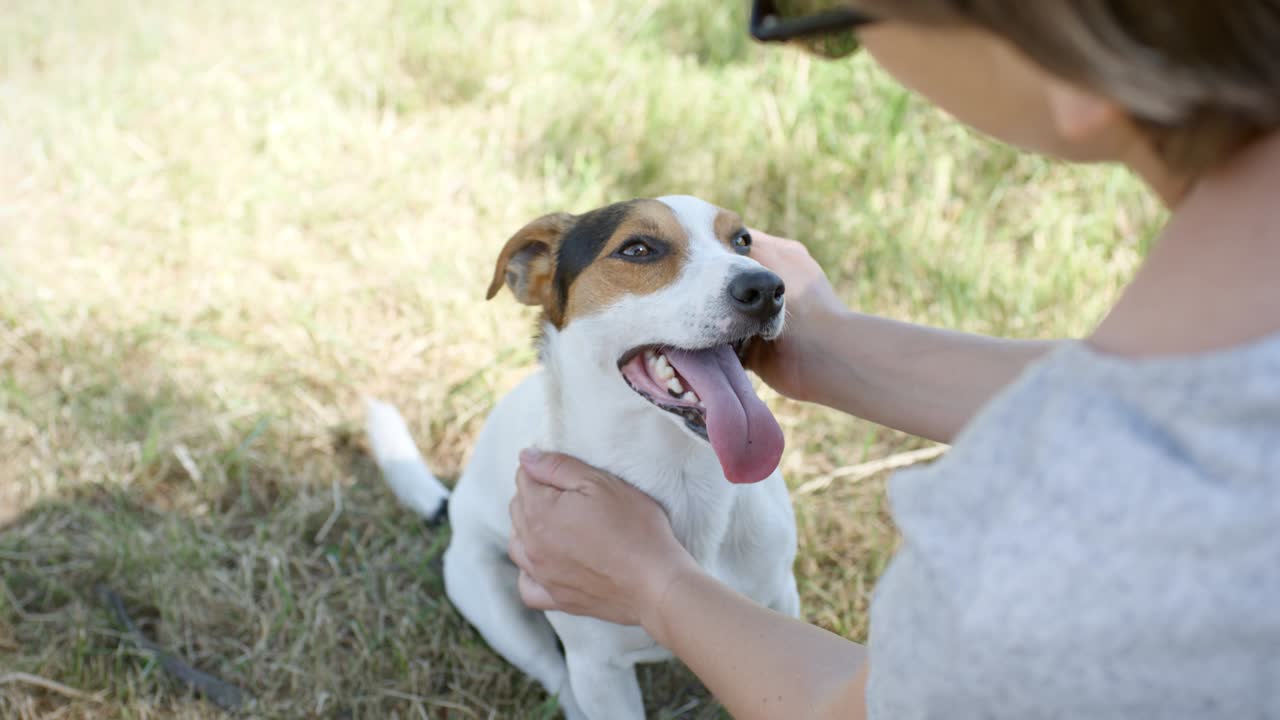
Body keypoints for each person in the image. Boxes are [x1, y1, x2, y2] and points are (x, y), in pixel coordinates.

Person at [506, 2, 1280, 718]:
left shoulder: (1058, 532)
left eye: (828, 16)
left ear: (1075, 51)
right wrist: (838, 345)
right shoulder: (1210, 397)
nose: (823, 43)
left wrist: (653, 582)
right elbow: (1145, 396)